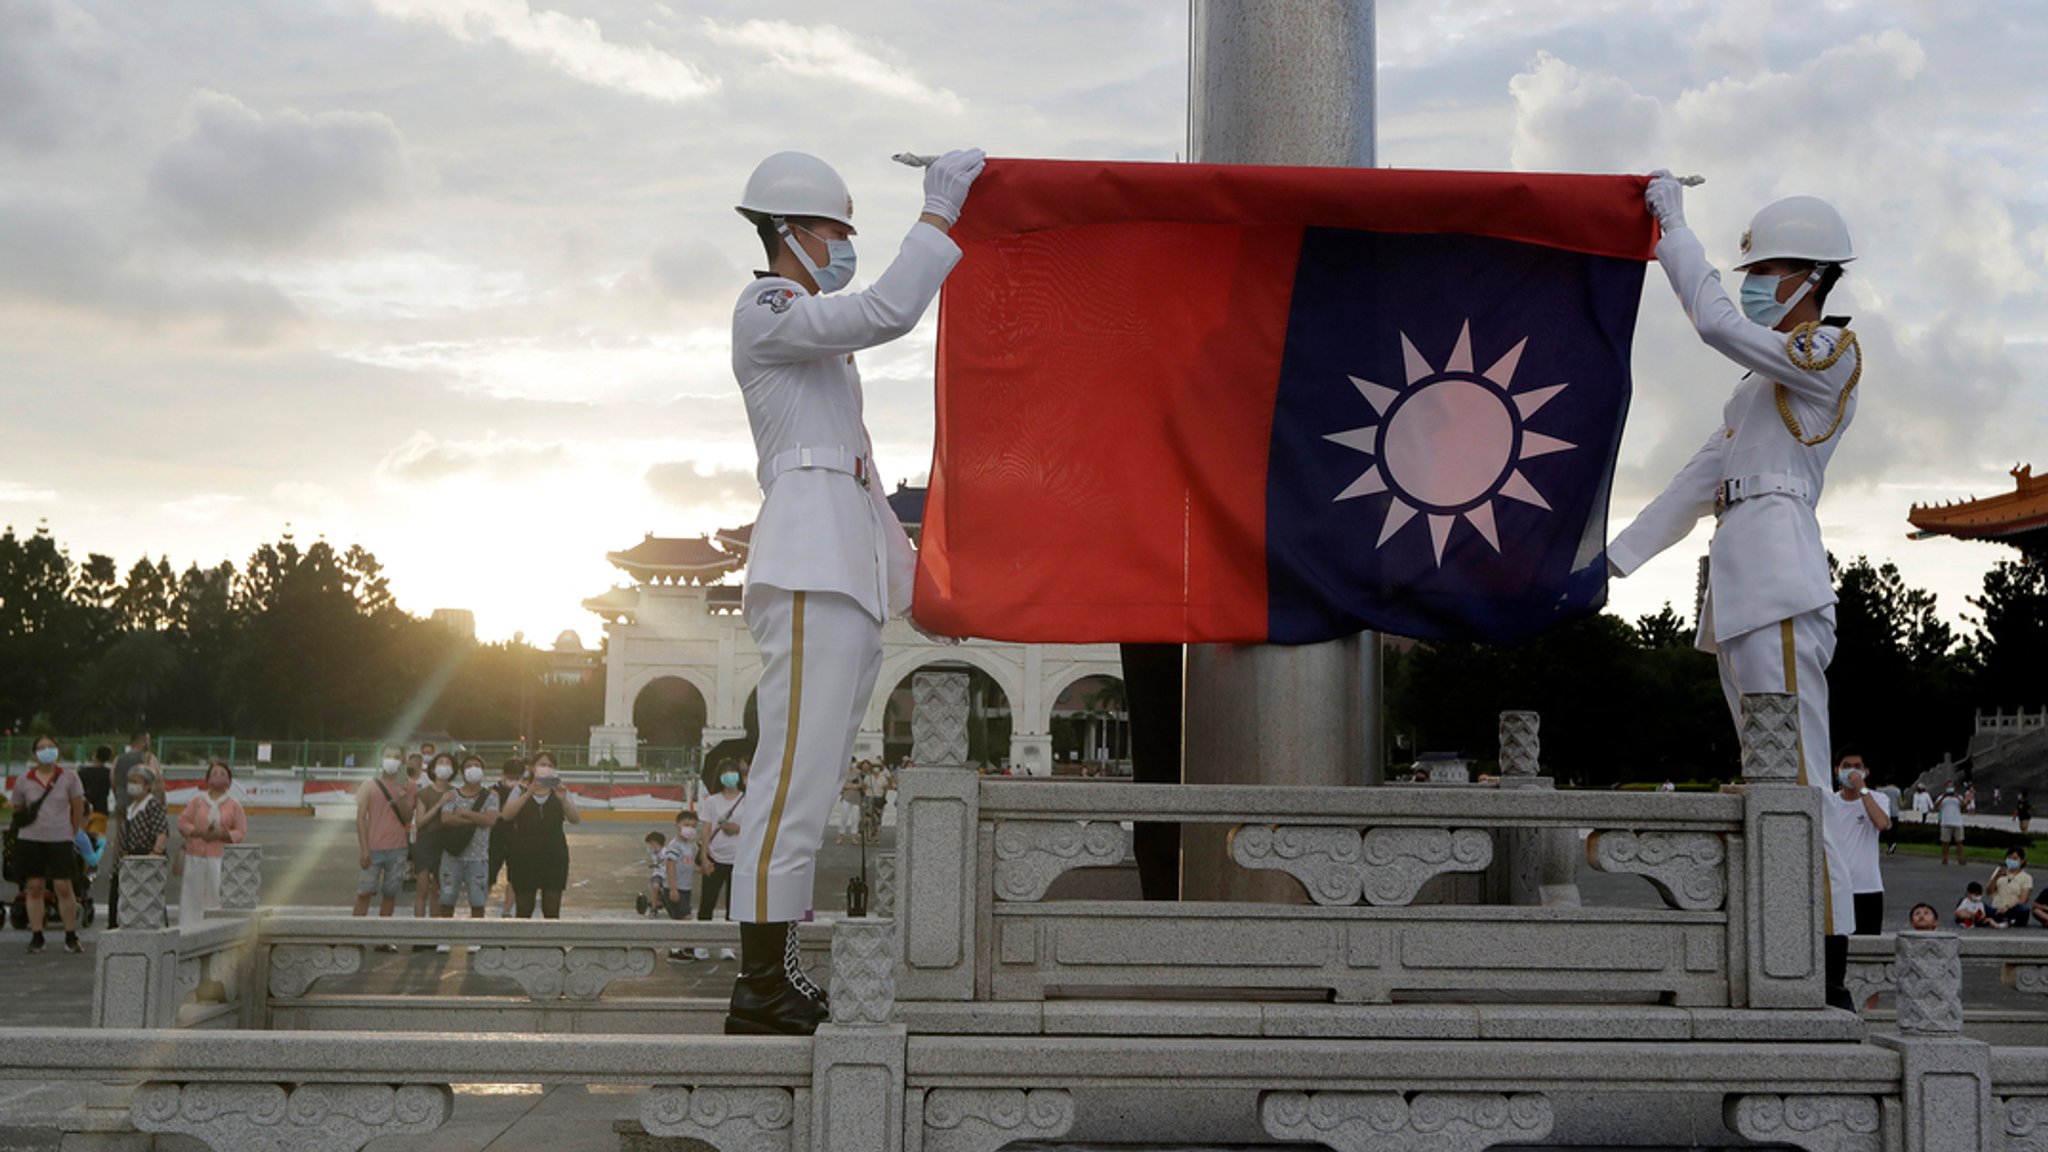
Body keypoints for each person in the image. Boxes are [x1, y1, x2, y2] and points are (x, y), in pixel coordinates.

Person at [722, 146, 984, 1034]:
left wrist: (919, 596)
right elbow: (886, 311)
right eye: (835, 228)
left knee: (815, 775)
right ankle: (758, 986)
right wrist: (939, 219)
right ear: (787, 231)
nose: (844, 243)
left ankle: (776, 968)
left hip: (843, 568)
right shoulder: (768, 305)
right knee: (790, 776)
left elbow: (870, 488)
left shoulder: (823, 352)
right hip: (806, 563)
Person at [1612, 178, 1863, 1006]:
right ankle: (1785, 944)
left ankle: (1821, 968)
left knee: (1798, 777)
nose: (1757, 283)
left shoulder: (1828, 352)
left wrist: (1672, 231)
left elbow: (1717, 321)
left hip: (1779, 574)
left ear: (1814, 281)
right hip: (1743, 575)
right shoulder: (1755, 389)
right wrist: (1610, 566)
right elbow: (1695, 483)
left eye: (1772, 270)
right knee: (1770, 778)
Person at [12, 736, 86, 953]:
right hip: (31, 838)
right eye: (41, 748)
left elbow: (77, 808)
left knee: (63, 886)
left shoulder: (69, 777)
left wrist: (71, 832)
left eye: (51, 747)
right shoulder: (23, 780)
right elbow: (18, 808)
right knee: (34, 887)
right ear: (34, 754)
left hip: (60, 837)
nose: (47, 751)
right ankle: (37, 935)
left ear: (58, 751)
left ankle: (70, 935)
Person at [500, 751, 578, 919]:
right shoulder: (520, 789)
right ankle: (523, 943)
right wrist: (528, 793)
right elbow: (506, 815)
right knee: (524, 907)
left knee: (551, 907)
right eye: (542, 764)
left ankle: (551, 943)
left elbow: (575, 818)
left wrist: (563, 799)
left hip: (553, 854)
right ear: (533, 768)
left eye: (550, 766)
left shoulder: (559, 789)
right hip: (524, 855)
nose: (545, 768)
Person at [175, 759, 245, 927]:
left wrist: (224, 834)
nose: (218, 776)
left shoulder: (234, 805)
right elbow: (182, 822)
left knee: (216, 895)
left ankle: (214, 930)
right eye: (214, 773)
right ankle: (188, 929)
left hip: (219, 858)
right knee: (192, 896)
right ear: (207, 779)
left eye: (223, 774)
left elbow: (241, 831)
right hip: (195, 855)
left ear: (229, 780)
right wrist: (197, 832)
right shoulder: (197, 801)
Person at [436, 755, 500, 934]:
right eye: (469, 766)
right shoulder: (452, 795)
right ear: (462, 773)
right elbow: (446, 819)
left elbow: (490, 820)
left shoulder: (491, 795)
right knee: (447, 899)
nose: (473, 769)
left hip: (478, 858)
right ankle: (445, 937)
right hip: (452, 856)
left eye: (477, 765)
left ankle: (475, 936)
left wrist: (465, 813)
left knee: (478, 902)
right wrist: (476, 819)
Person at [1827, 757, 1889, 942]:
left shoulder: (1878, 799)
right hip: (1837, 887)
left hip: (1867, 887)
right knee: (1836, 944)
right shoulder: (1829, 802)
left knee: (1867, 945)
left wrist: (1862, 788)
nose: (1852, 771)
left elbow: (1881, 823)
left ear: (1866, 771)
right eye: (1846, 767)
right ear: (1837, 770)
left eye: (1857, 767)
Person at [353, 745, 415, 929]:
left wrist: (402, 796)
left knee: (390, 893)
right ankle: (353, 934)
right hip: (373, 848)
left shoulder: (409, 785)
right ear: (381, 759)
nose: (392, 760)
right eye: (388, 756)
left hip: (398, 848)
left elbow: (407, 818)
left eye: (396, 757)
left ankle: (383, 936)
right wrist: (364, 848)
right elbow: (360, 817)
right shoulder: (369, 785)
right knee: (364, 892)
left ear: (402, 762)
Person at [109, 765, 168, 930]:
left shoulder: (152, 805)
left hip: (145, 856)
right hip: (127, 859)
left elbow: (162, 831)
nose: (132, 785)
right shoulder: (130, 808)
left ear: (148, 785)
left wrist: (155, 853)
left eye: (136, 781)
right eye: (130, 781)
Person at [695, 759, 745, 950]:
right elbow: (706, 831)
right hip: (715, 857)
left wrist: (737, 828)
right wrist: (705, 858)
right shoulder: (712, 801)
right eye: (726, 773)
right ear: (720, 777)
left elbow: (755, 828)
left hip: (738, 859)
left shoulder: (747, 799)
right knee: (707, 902)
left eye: (733, 772)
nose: (730, 776)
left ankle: (728, 945)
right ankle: (701, 944)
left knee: (734, 905)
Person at [409, 753, 453, 938]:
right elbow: (421, 821)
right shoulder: (424, 793)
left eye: (448, 763)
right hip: (425, 841)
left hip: (445, 842)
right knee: (422, 887)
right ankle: (420, 932)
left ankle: (434, 933)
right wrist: (440, 804)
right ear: (433, 769)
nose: (444, 766)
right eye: (441, 763)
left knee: (438, 889)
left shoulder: (454, 792)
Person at [487, 757, 524, 917]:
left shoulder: (523, 791)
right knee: (488, 876)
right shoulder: (492, 790)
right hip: (495, 837)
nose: (513, 780)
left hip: (517, 837)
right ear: (503, 774)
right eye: (510, 776)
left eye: (517, 777)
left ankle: (507, 910)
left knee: (515, 877)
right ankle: (481, 907)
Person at [1986, 849, 2034, 928]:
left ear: (2022, 861)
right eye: (2009, 858)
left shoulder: (2026, 877)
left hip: (2012, 909)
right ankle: (2005, 920)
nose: (2011, 860)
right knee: (1980, 906)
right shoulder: (1999, 872)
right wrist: (1995, 878)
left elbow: (2023, 900)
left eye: (2014, 858)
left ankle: (2005, 920)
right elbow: (1988, 892)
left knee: (2024, 909)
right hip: (1996, 909)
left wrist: (2008, 907)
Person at [832, 762, 862, 845]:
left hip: (856, 798)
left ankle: (854, 836)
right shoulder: (843, 774)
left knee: (855, 818)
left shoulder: (857, 773)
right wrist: (851, 786)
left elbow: (861, 784)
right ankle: (840, 835)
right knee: (844, 817)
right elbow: (842, 785)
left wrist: (851, 785)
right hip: (846, 797)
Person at [1937, 783, 1966, 866]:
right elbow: (1935, 807)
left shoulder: (1958, 797)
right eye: (1948, 787)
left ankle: (1961, 858)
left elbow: (1964, 805)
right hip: (1946, 822)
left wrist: (1957, 797)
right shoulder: (1942, 798)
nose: (1950, 789)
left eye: (1951, 787)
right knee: (1945, 842)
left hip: (1957, 822)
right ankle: (1945, 858)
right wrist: (1943, 797)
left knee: (1959, 842)